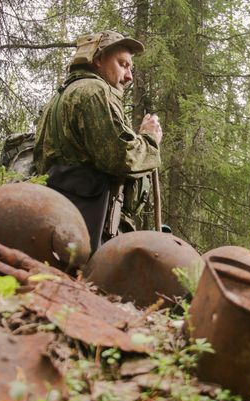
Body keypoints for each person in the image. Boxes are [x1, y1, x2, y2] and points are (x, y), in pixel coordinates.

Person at [34, 31, 163, 254]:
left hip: (60, 213)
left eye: (130, 67)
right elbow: (119, 156)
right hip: (86, 219)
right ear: (98, 59)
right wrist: (149, 139)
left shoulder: (60, 97)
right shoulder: (95, 91)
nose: (129, 76)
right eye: (123, 64)